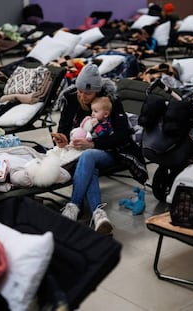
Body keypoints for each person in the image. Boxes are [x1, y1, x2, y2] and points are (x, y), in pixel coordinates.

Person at [52, 63, 146, 235]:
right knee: (90, 165)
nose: (82, 95)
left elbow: (123, 135)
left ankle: (74, 206)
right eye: (80, 91)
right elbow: (63, 127)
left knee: (88, 156)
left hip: (111, 150)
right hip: (79, 151)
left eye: (88, 93)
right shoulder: (72, 97)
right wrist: (61, 139)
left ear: (97, 90)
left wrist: (94, 144)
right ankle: (98, 214)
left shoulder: (110, 101)